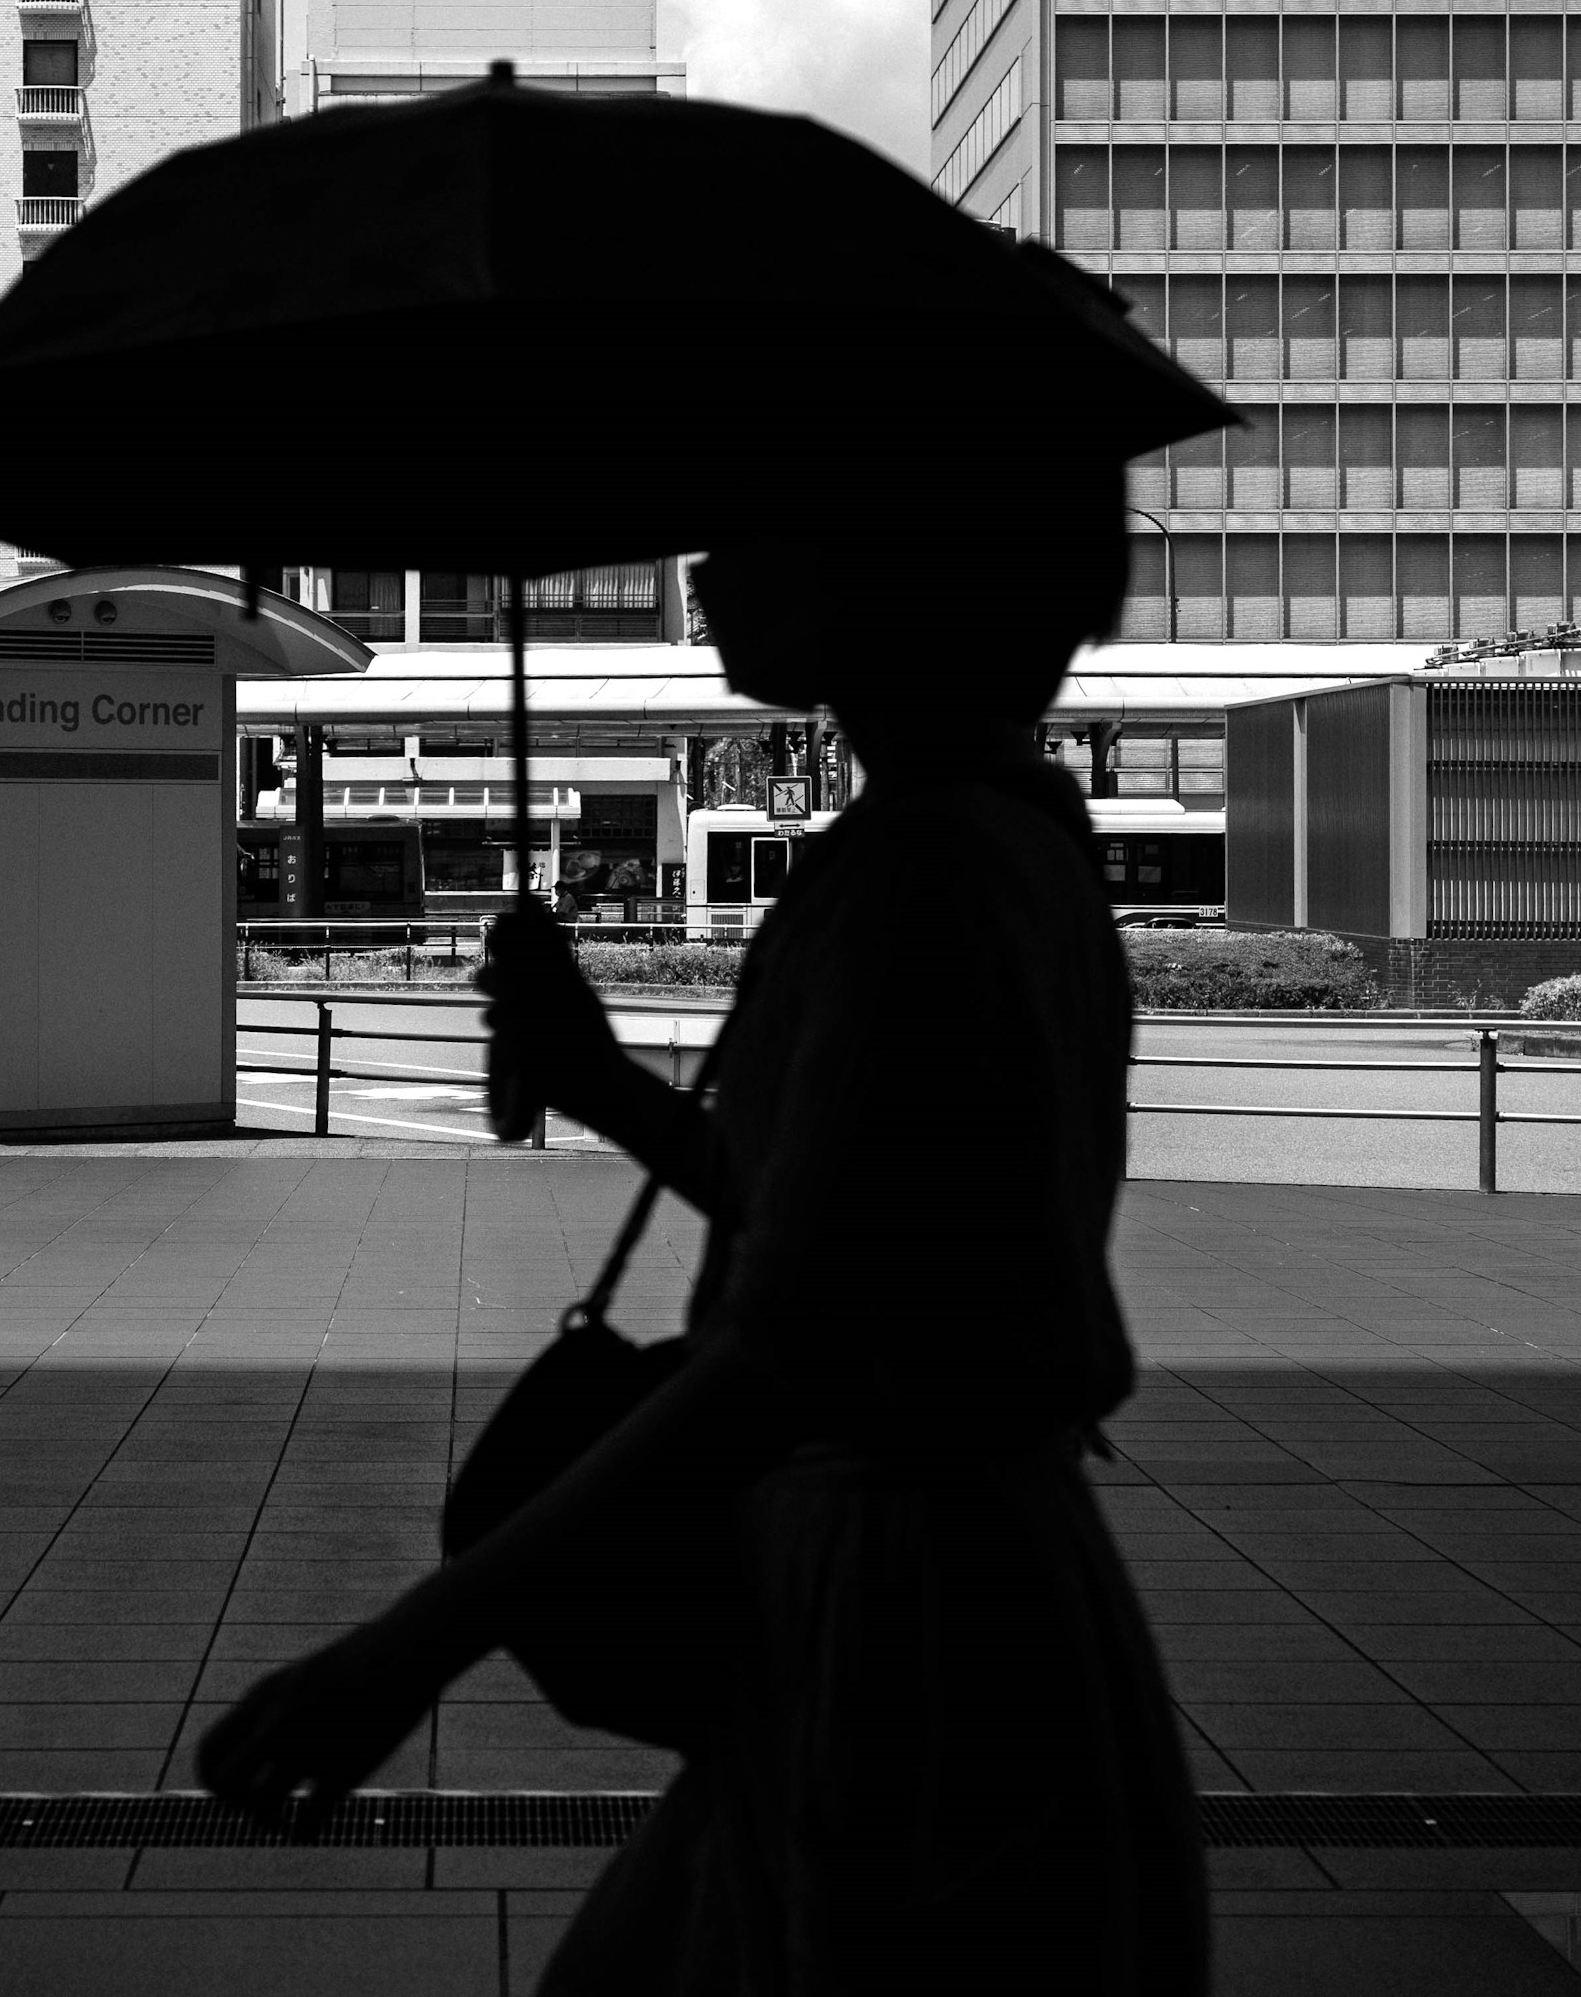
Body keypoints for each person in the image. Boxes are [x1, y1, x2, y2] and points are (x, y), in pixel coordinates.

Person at [196, 472, 1205, 1993]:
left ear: (886, 576)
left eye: (757, 532)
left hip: (906, 1613)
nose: (709, 577)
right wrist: (607, 1085)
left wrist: (409, 1646)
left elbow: (788, 1335)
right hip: (941, 1586)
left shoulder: (922, 874)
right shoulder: (991, 838)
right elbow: (855, 1234)